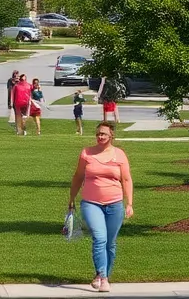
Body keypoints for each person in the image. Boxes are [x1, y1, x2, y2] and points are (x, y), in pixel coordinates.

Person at [68, 122, 133, 293]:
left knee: (110, 243)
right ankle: (101, 276)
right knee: (99, 237)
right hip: (91, 203)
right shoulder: (86, 153)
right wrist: (72, 198)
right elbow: (78, 176)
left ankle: (105, 275)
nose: (100, 137)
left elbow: (126, 180)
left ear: (111, 135)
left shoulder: (119, 155)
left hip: (115, 204)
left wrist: (129, 203)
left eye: (103, 134)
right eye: (98, 134)